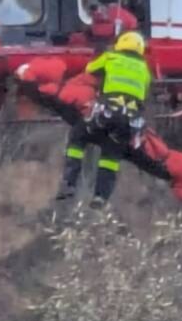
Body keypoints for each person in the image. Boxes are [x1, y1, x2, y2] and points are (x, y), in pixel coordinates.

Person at [56, 31, 153, 207]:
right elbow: (143, 93)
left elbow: (89, 69)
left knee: (78, 136)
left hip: (108, 112)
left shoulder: (110, 57)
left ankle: (69, 183)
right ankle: (101, 197)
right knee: (111, 154)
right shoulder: (145, 70)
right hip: (130, 121)